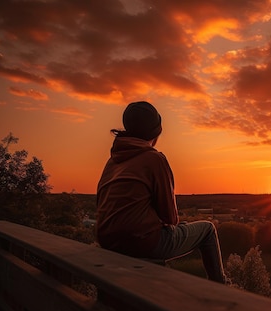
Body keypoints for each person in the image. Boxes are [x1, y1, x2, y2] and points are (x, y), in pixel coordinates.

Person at [96, 101, 226, 283]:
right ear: (155, 133)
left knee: (180, 229)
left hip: (108, 242)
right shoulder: (154, 159)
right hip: (142, 243)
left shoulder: (112, 163)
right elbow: (170, 218)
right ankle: (221, 289)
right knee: (208, 230)